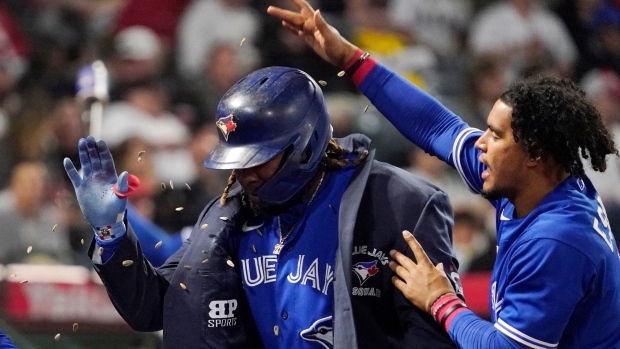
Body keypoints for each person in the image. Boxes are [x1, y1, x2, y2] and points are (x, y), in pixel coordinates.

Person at [266, 1, 620, 348]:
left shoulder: (554, 239)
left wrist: (441, 300)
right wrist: (348, 57)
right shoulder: (540, 180)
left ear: (535, 154)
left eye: (496, 135)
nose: (480, 143)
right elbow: (436, 126)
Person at [63, 66, 463, 348]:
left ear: (304, 143)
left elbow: (429, 336)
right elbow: (155, 308)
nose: (244, 172)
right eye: (236, 159)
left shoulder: (399, 204)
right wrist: (111, 232)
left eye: (258, 158)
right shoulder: (227, 217)